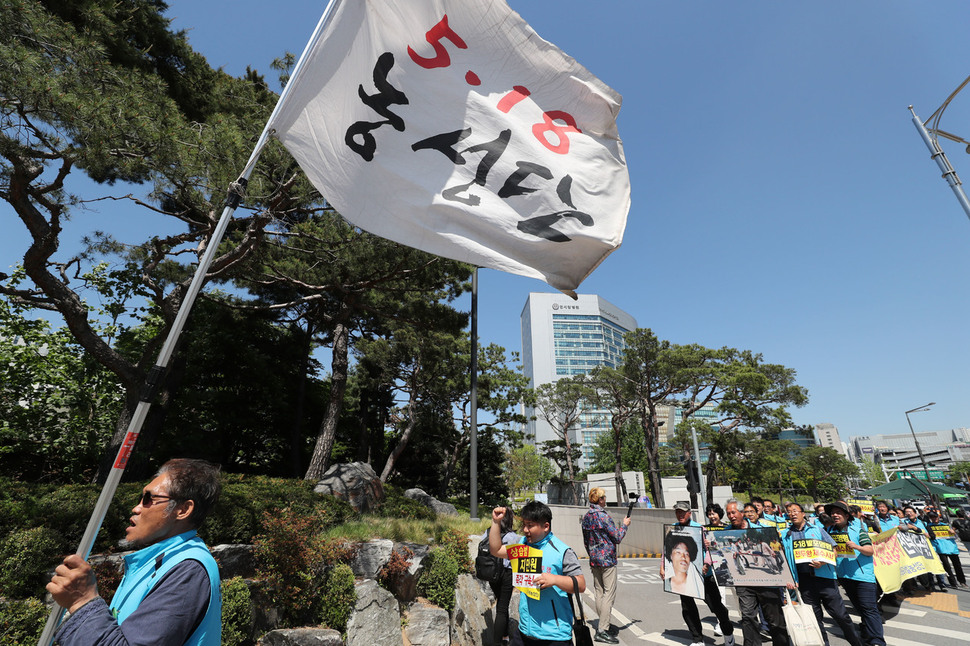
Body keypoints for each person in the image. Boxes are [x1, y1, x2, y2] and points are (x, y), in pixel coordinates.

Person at [47, 459, 222, 646]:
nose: (136, 508)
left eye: (149, 499)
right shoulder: (161, 562)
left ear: (183, 510)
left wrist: (82, 601)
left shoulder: (187, 570)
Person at [489, 502, 585, 646]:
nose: (525, 530)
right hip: (524, 632)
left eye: (530, 525)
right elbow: (496, 550)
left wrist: (554, 579)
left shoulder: (562, 551)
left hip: (555, 636)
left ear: (546, 526)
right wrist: (496, 522)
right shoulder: (522, 545)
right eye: (524, 525)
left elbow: (581, 584)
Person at [780, 502, 861, 646]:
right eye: (789, 512)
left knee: (841, 615)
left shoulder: (817, 530)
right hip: (804, 582)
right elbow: (783, 558)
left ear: (802, 513)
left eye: (795, 511)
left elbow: (834, 551)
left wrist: (822, 562)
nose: (792, 514)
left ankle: (856, 642)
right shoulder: (786, 534)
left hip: (825, 579)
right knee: (815, 620)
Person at [662, 502, 735, 646]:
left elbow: (710, 551)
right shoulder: (672, 528)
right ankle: (697, 639)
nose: (680, 515)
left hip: (704, 576)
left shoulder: (699, 528)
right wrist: (663, 567)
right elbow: (666, 549)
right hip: (682, 576)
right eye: (678, 512)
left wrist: (707, 564)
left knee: (716, 607)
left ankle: (728, 633)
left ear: (689, 513)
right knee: (688, 608)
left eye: (683, 512)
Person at [724, 499, 789, 646]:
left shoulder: (763, 528)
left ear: (742, 513)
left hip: (768, 583)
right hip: (744, 583)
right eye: (728, 513)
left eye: (733, 512)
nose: (731, 516)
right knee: (748, 617)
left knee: (775, 620)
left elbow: (781, 552)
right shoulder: (726, 532)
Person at [825, 501, 885, 646]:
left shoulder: (857, 529)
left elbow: (870, 550)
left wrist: (856, 546)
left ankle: (877, 641)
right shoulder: (828, 531)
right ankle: (866, 631)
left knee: (869, 609)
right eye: (833, 513)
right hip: (844, 577)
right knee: (860, 608)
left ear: (846, 515)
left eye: (838, 512)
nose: (835, 515)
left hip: (863, 577)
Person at [581, 488, 631, 643]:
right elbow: (616, 537)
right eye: (604, 497)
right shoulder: (603, 517)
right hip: (607, 559)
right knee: (609, 593)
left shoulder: (587, 517)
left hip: (594, 558)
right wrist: (625, 525)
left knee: (599, 592)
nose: (605, 500)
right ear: (600, 500)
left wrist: (592, 553)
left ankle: (603, 624)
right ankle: (602, 629)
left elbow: (585, 540)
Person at [487, 505, 519, 646]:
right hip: (506, 573)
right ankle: (497, 642)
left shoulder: (488, 532)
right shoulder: (512, 537)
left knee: (501, 604)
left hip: (491, 573)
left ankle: (505, 636)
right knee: (502, 608)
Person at [925, 508, 967, 589]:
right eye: (932, 517)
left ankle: (962, 582)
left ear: (938, 516)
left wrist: (954, 532)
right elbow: (930, 538)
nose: (934, 518)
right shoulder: (929, 527)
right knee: (947, 566)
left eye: (935, 516)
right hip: (940, 549)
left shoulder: (946, 525)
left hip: (952, 548)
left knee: (957, 566)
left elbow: (956, 536)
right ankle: (953, 583)